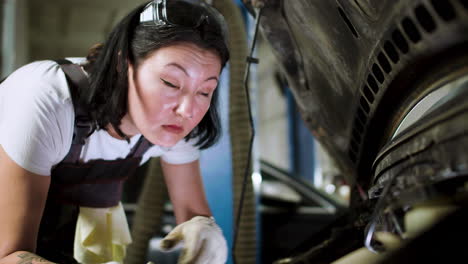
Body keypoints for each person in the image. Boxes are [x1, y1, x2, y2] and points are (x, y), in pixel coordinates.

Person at [0, 0, 230, 263]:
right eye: (170, 82)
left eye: (205, 91)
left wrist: (204, 231)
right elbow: (9, 255)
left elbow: (191, 214)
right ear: (124, 64)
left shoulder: (175, 120)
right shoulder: (48, 100)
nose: (187, 110)